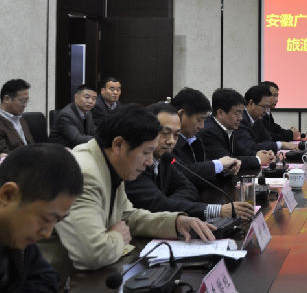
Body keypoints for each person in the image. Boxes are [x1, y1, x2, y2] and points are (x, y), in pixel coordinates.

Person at [38, 104, 214, 272]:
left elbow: (127, 216)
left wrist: (175, 222)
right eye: (146, 152)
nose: (149, 161)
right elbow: (92, 254)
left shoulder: (111, 163)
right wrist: (117, 236)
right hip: (58, 281)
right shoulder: (84, 174)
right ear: (118, 145)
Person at [0, 143, 83, 293]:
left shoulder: (12, 228)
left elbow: (47, 278)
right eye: (46, 219)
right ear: (8, 194)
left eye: (57, 221)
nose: (47, 233)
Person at [125, 103, 254, 222]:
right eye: (165, 133)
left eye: (176, 135)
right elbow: (156, 205)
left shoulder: (165, 158)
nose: (171, 141)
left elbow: (188, 188)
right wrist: (218, 210)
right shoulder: (135, 165)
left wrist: (169, 204)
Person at [171, 87, 239, 189]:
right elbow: (182, 172)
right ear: (181, 115)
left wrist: (225, 170)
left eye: (204, 120)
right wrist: (218, 164)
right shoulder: (168, 142)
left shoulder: (195, 140)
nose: (202, 126)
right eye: (199, 119)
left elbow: (202, 171)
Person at [200, 88, 273, 169]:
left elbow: (241, 151)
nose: (241, 118)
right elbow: (227, 162)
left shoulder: (229, 127)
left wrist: (261, 154)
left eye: (242, 113)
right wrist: (258, 160)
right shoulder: (208, 131)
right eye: (237, 113)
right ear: (220, 113)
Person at [235, 85, 295, 157]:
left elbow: (268, 139)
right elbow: (249, 147)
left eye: (268, 107)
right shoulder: (239, 119)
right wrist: (281, 145)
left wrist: (268, 150)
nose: (266, 111)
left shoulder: (258, 119)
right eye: (264, 107)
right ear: (251, 103)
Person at [0, 79, 35, 159]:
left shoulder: (20, 118)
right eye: (22, 101)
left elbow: (32, 145)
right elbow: (3, 153)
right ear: (7, 99)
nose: (25, 105)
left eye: (26, 101)